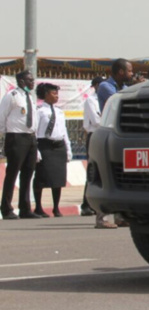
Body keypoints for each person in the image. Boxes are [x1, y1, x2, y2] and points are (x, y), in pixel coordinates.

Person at [94, 59, 133, 229]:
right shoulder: (105, 86)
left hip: (121, 134)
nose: (132, 74)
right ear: (121, 72)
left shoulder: (123, 87)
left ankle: (120, 216)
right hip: (108, 132)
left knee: (121, 175)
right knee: (104, 174)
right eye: (129, 71)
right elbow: (120, 101)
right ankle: (101, 218)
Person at [0, 70, 41, 219]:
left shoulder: (30, 97)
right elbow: (1, 117)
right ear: (21, 81)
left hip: (31, 138)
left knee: (28, 173)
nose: (32, 82)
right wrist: (7, 137)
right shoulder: (12, 96)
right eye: (30, 80)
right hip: (16, 137)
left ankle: (25, 208)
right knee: (12, 173)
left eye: (33, 80)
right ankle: (6, 208)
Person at [32, 83, 72, 218]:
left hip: (59, 146)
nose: (56, 96)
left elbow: (64, 132)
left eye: (57, 93)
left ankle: (56, 207)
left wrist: (68, 149)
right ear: (46, 94)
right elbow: (34, 131)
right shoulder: (39, 111)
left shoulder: (59, 111)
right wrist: (36, 150)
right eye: (53, 93)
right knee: (41, 177)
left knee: (58, 178)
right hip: (45, 145)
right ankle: (38, 207)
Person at [79, 76, 103, 216]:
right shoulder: (91, 100)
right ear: (96, 85)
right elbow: (96, 121)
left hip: (103, 134)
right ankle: (86, 204)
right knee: (93, 171)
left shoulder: (106, 99)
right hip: (94, 135)